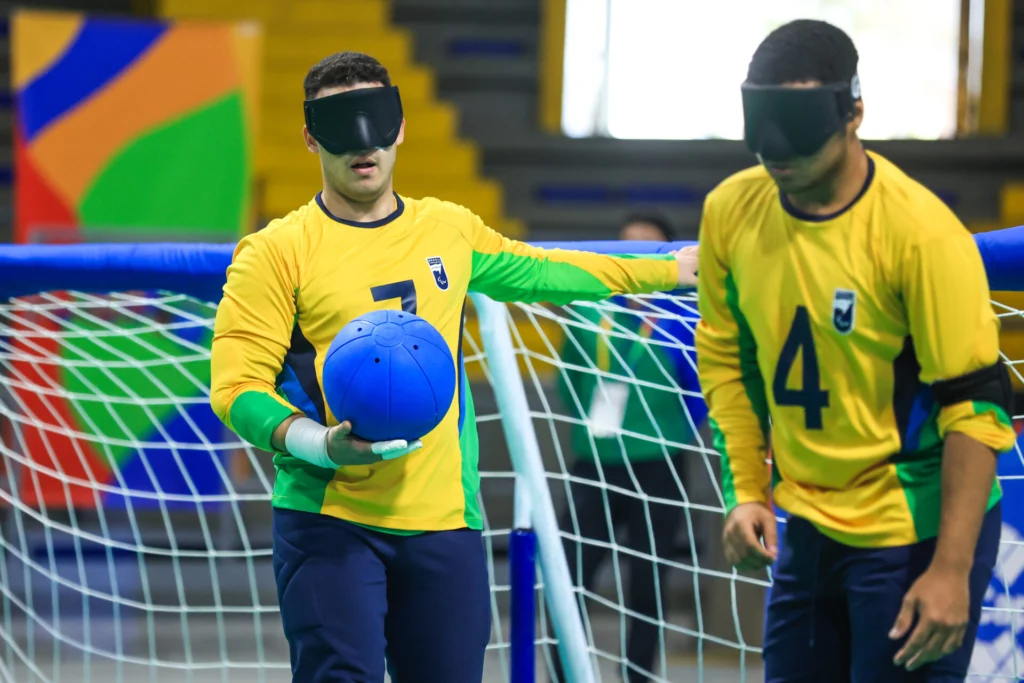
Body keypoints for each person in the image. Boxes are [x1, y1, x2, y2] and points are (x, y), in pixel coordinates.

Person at [208, 52, 698, 683]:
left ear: (401, 127)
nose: (364, 143)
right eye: (340, 123)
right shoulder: (275, 252)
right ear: (310, 136)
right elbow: (236, 387)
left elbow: (547, 270)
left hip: (444, 522)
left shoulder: (448, 229)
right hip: (329, 518)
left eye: (377, 119)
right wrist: (321, 444)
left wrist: (666, 270)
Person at [695, 20, 1015, 683]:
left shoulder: (919, 234)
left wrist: (951, 569)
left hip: (912, 526)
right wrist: (747, 491)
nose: (777, 151)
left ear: (853, 112)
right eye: (762, 124)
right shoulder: (731, 211)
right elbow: (728, 361)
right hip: (809, 520)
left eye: (799, 126)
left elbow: (977, 406)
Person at [551, 213, 707, 683]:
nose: (635, 260)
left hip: (660, 465)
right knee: (567, 579)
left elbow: (700, 389)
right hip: (593, 465)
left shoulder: (686, 317)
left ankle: (638, 677)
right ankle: (566, 674)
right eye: (626, 249)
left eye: (647, 251)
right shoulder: (588, 310)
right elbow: (568, 380)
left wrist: (674, 431)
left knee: (647, 588)